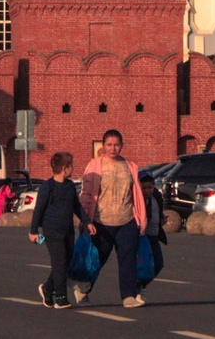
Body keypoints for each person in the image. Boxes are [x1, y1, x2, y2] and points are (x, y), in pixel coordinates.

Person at [82, 130, 150, 309]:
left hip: (127, 219)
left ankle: (128, 296)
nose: (113, 148)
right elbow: (86, 193)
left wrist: (141, 219)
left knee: (127, 259)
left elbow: (136, 194)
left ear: (122, 145)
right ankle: (83, 288)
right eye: (109, 144)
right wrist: (85, 219)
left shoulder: (130, 166)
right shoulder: (95, 165)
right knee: (98, 258)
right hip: (101, 221)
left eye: (117, 144)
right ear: (103, 146)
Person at [30, 152, 83, 309]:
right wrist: (33, 232)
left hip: (67, 229)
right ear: (65, 168)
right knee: (59, 262)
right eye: (71, 165)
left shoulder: (70, 186)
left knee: (66, 262)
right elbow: (38, 210)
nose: (73, 168)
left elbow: (77, 207)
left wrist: (86, 221)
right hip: (51, 230)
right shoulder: (48, 187)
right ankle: (60, 298)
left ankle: (47, 289)